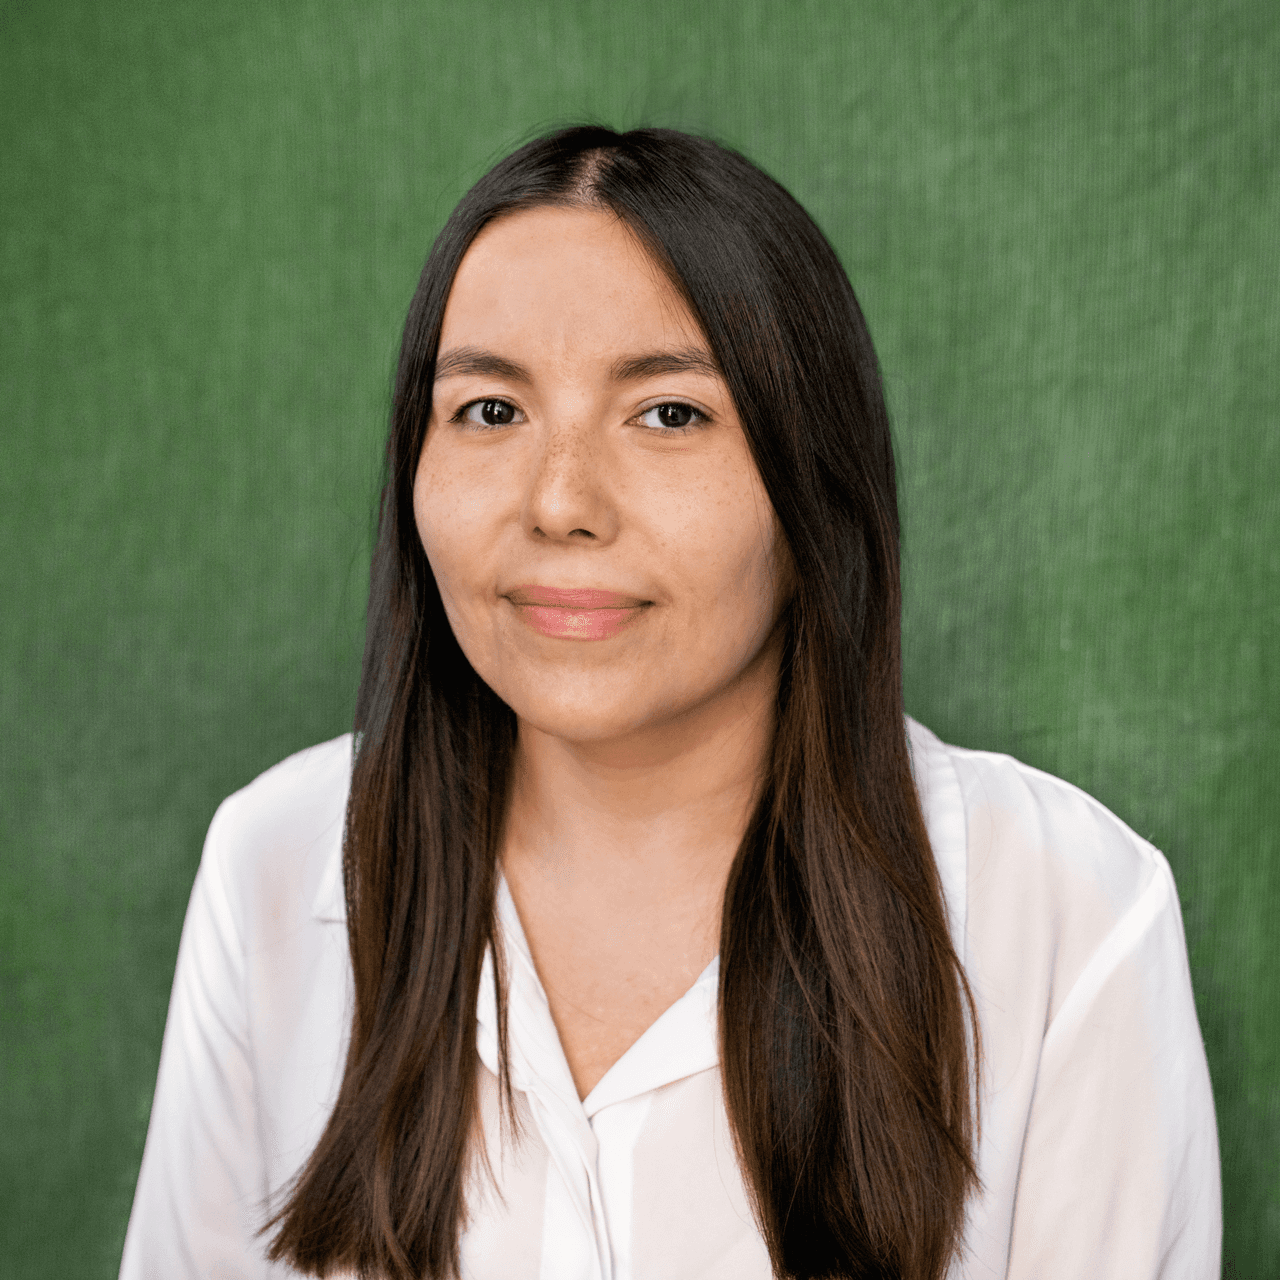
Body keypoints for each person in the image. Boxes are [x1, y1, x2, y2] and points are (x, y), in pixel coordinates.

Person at [119, 126, 1221, 1280]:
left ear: (812, 486)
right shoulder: (277, 861)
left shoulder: (1061, 910)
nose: (560, 502)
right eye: (490, 410)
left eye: (669, 413)